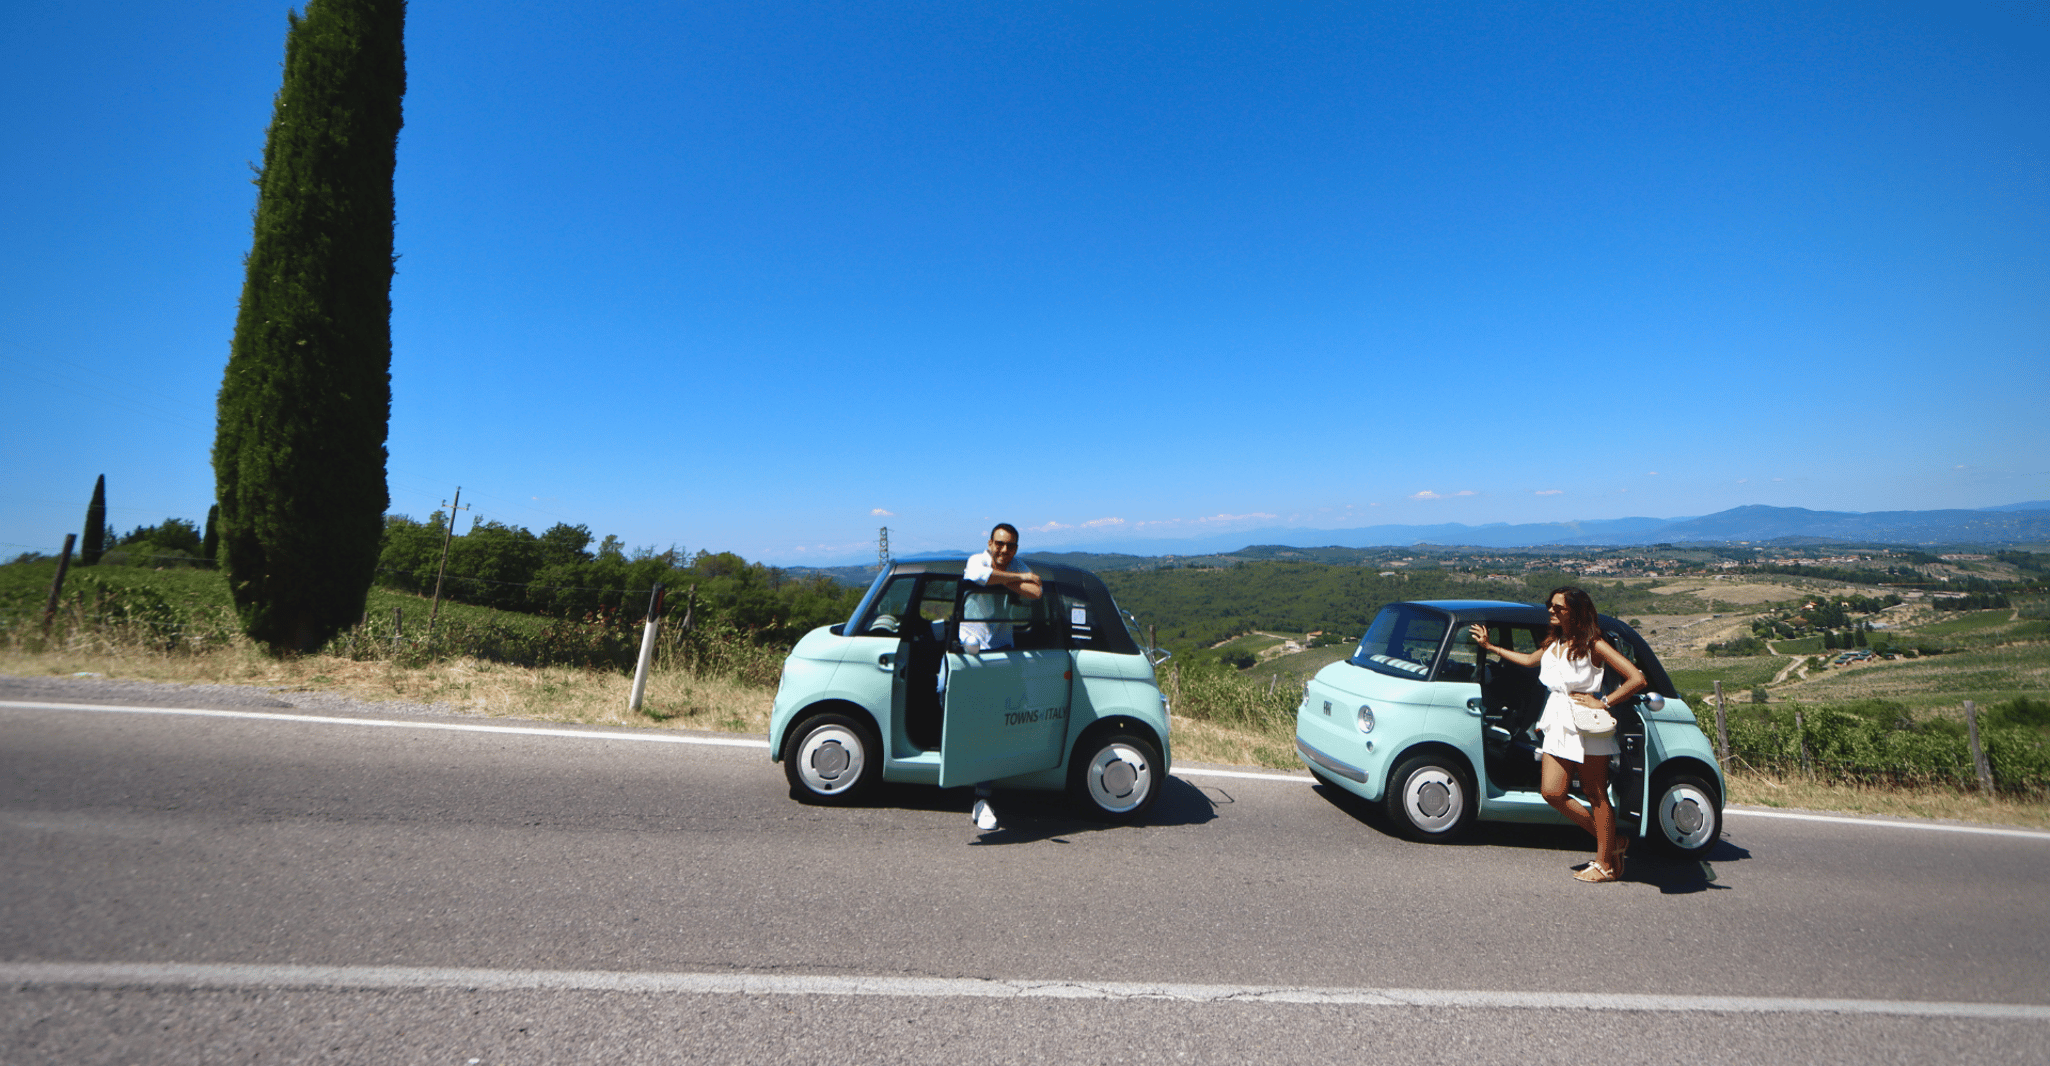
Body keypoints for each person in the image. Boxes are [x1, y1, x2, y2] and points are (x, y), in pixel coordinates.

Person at [1469, 587, 1647, 882]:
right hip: (1558, 721)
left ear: (1575, 612)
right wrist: (1491, 648)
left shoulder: (1595, 644)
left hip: (1586, 723)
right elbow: (1529, 661)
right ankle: (1612, 843)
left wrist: (1603, 701)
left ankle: (1605, 864)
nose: (1551, 611)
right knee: (1552, 792)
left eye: (1558, 607)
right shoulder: (1555, 641)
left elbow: (1636, 678)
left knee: (1596, 793)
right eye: (1550, 605)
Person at [959, 523, 1043, 831]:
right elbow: (982, 576)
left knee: (993, 723)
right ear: (989, 543)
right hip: (970, 653)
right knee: (951, 702)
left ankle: (982, 795)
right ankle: (956, 769)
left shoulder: (1012, 564)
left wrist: (1003, 579)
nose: (1003, 551)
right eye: (999, 544)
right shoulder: (975, 560)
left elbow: (1036, 591)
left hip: (1002, 653)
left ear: (1016, 548)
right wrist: (1018, 578)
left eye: (1009, 546)